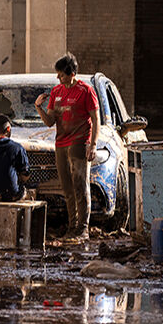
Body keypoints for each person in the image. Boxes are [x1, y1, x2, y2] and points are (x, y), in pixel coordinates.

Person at [34, 52, 99, 241]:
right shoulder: (56, 92)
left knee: (80, 185)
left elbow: (96, 119)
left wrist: (93, 145)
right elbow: (49, 121)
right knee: (67, 188)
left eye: (61, 74)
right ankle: (72, 228)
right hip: (61, 143)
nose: (58, 77)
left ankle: (83, 229)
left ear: (71, 74)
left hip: (79, 142)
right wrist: (38, 107)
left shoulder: (86, 91)